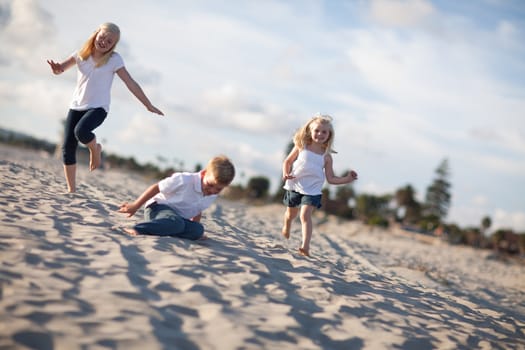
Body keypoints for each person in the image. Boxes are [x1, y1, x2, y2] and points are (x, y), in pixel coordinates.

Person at [47, 22, 164, 193]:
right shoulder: (81, 55)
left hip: (98, 108)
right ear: (96, 34)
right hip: (76, 106)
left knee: (81, 132)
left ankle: (95, 148)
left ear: (113, 45)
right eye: (102, 37)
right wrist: (56, 69)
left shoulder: (114, 60)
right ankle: (71, 190)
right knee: (67, 147)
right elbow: (60, 70)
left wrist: (148, 104)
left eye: (109, 42)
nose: (104, 42)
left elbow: (130, 83)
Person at [281, 114, 358, 257]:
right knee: (291, 214)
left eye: (324, 132)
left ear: (329, 135)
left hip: (312, 190)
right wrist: (286, 173)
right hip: (295, 185)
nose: (320, 134)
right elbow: (287, 162)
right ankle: (287, 224)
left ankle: (305, 246)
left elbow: (331, 178)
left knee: (305, 215)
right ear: (310, 130)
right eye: (317, 130)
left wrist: (347, 179)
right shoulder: (301, 146)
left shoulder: (327, 157)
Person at [118, 155, 235, 240]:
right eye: (210, 185)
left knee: (198, 230)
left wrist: (195, 226)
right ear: (204, 174)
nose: (212, 191)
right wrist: (135, 206)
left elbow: (197, 209)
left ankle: (166, 229)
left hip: (178, 219)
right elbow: (156, 187)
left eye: (218, 189)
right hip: (158, 209)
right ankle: (139, 229)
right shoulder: (185, 180)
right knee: (177, 223)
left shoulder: (212, 195)